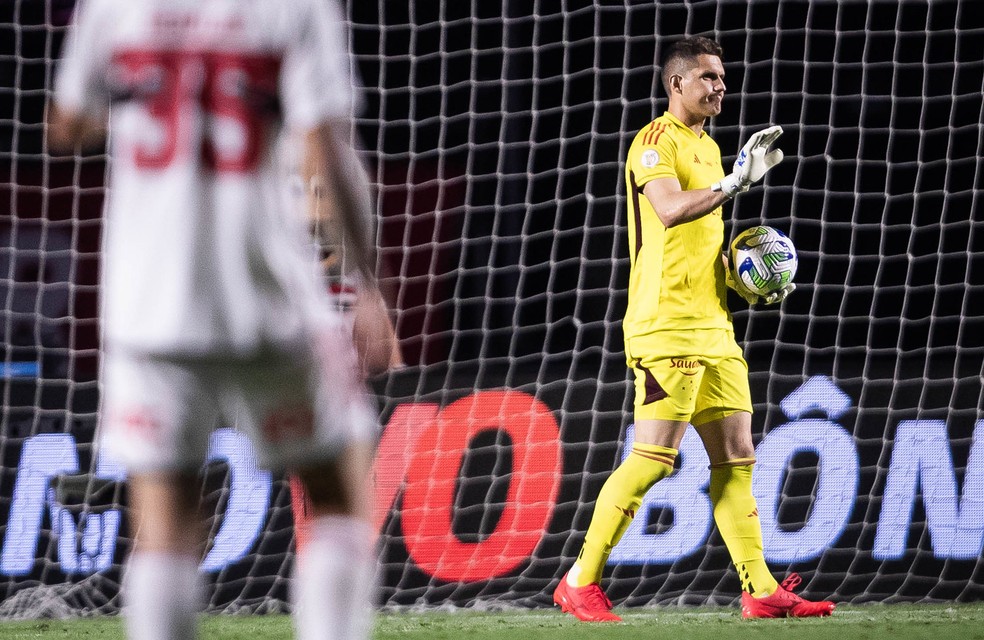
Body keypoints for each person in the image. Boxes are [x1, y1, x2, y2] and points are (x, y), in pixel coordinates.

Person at [48, 1, 380, 639]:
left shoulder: (115, 7)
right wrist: (364, 279)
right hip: (264, 296)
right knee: (337, 488)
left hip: (147, 307)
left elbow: (66, 126)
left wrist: (150, 88)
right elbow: (326, 152)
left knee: (166, 522)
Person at [553, 35, 834, 622]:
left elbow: (697, 243)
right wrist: (736, 183)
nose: (720, 87)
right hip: (665, 329)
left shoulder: (709, 147)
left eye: (723, 79)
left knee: (737, 460)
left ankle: (759, 591)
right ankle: (579, 580)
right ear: (676, 82)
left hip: (714, 328)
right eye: (708, 77)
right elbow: (669, 209)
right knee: (655, 459)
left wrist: (741, 279)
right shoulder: (654, 142)